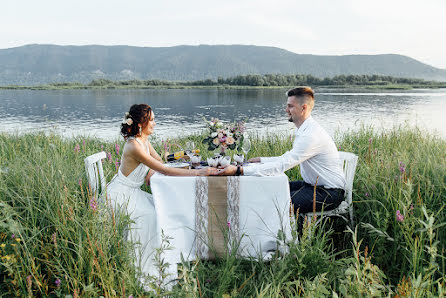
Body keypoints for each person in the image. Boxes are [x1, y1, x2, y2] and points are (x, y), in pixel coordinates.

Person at [106, 104, 218, 284]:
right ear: (141, 124)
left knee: (161, 209)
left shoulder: (143, 141)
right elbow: (164, 170)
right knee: (152, 215)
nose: (155, 123)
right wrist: (199, 173)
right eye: (151, 120)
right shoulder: (134, 146)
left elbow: (161, 161)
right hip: (123, 194)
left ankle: (167, 259)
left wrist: (181, 157)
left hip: (133, 192)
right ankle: (148, 268)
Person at [218, 86, 346, 214]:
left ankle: (283, 233)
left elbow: (283, 165)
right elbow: (286, 158)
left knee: (275, 202)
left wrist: (240, 170)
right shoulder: (305, 129)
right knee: (268, 189)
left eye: (290, 106)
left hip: (329, 193)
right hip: (311, 186)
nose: (286, 110)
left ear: (304, 108)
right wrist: (261, 160)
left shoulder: (311, 135)